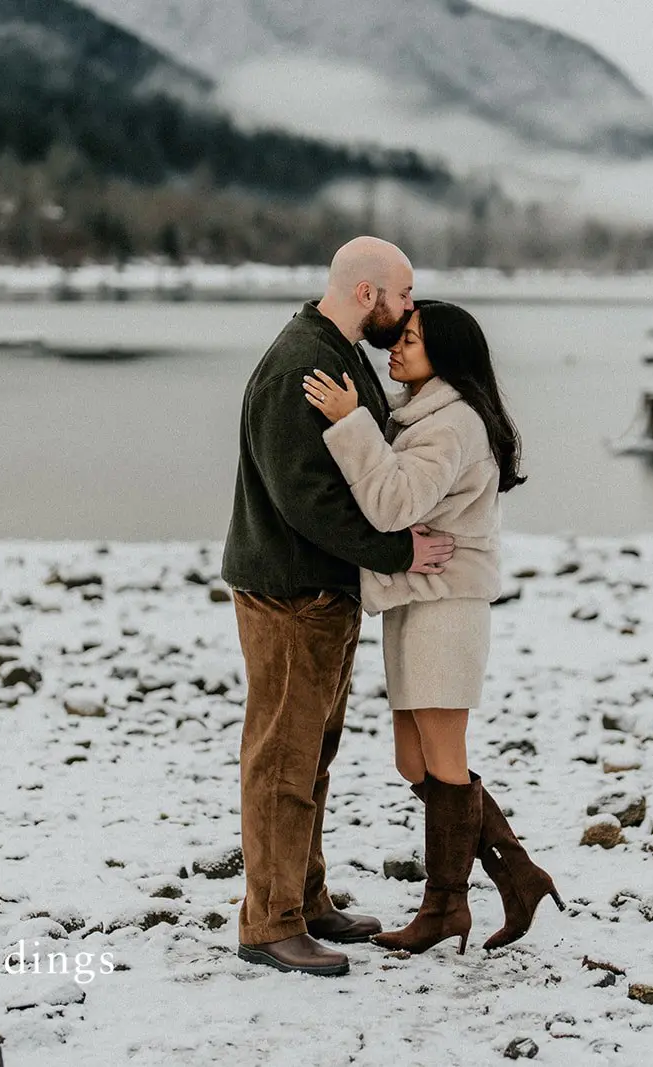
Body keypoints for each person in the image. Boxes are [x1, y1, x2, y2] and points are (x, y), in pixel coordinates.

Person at [221, 236, 457, 977]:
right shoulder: (302, 363)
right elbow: (309, 500)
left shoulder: (340, 350)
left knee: (312, 756)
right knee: (281, 760)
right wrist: (397, 552)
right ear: (367, 294)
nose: (409, 307)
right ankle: (269, 924)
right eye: (404, 295)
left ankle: (306, 900)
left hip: (320, 590)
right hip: (289, 592)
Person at [301, 300, 562, 956]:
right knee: (412, 760)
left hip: (448, 606)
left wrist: (348, 423)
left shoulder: (454, 425)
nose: (396, 347)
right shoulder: (427, 413)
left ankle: (446, 905)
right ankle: (518, 873)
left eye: (411, 340)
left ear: (444, 353)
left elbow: (393, 502)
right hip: (420, 599)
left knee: (442, 761)